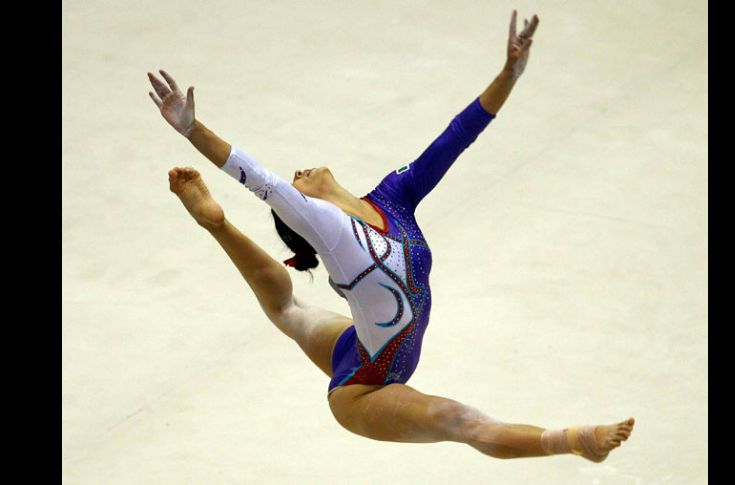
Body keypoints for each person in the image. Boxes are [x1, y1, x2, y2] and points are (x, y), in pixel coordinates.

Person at [150, 10, 634, 461]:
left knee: (287, 309)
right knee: (459, 421)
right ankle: (574, 441)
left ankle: (214, 222)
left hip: (360, 347)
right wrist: (193, 129)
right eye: (298, 182)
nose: (300, 170)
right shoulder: (330, 229)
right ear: (304, 210)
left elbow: (456, 136)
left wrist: (509, 74)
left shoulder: (393, 195)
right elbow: (261, 178)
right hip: (364, 389)